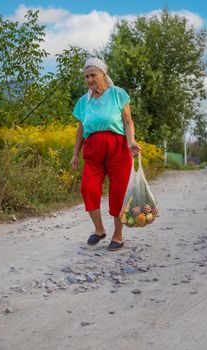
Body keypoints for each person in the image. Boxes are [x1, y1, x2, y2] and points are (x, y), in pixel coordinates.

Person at [71, 57, 141, 251]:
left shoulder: (117, 94)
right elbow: (80, 129)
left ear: (103, 74)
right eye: (86, 76)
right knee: (88, 188)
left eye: (93, 75)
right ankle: (99, 229)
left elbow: (127, 121)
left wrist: (131, 142)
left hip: (118, 147)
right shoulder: (83, 102)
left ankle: (118, 236)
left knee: (118, 192)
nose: (89, 79)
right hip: (93, 148)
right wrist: (75, 154)